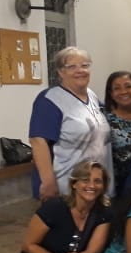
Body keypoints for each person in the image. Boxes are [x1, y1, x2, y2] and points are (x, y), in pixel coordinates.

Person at [30, 47, 114, 201]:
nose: (80, 70)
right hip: (67, 185)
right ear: (61, 72)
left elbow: (114, 111)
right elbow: (38, 141)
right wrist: (48, 182)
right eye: (71, 66)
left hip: (93, 185)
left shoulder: (91, 95)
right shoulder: (50, 100)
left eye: (84, 65)